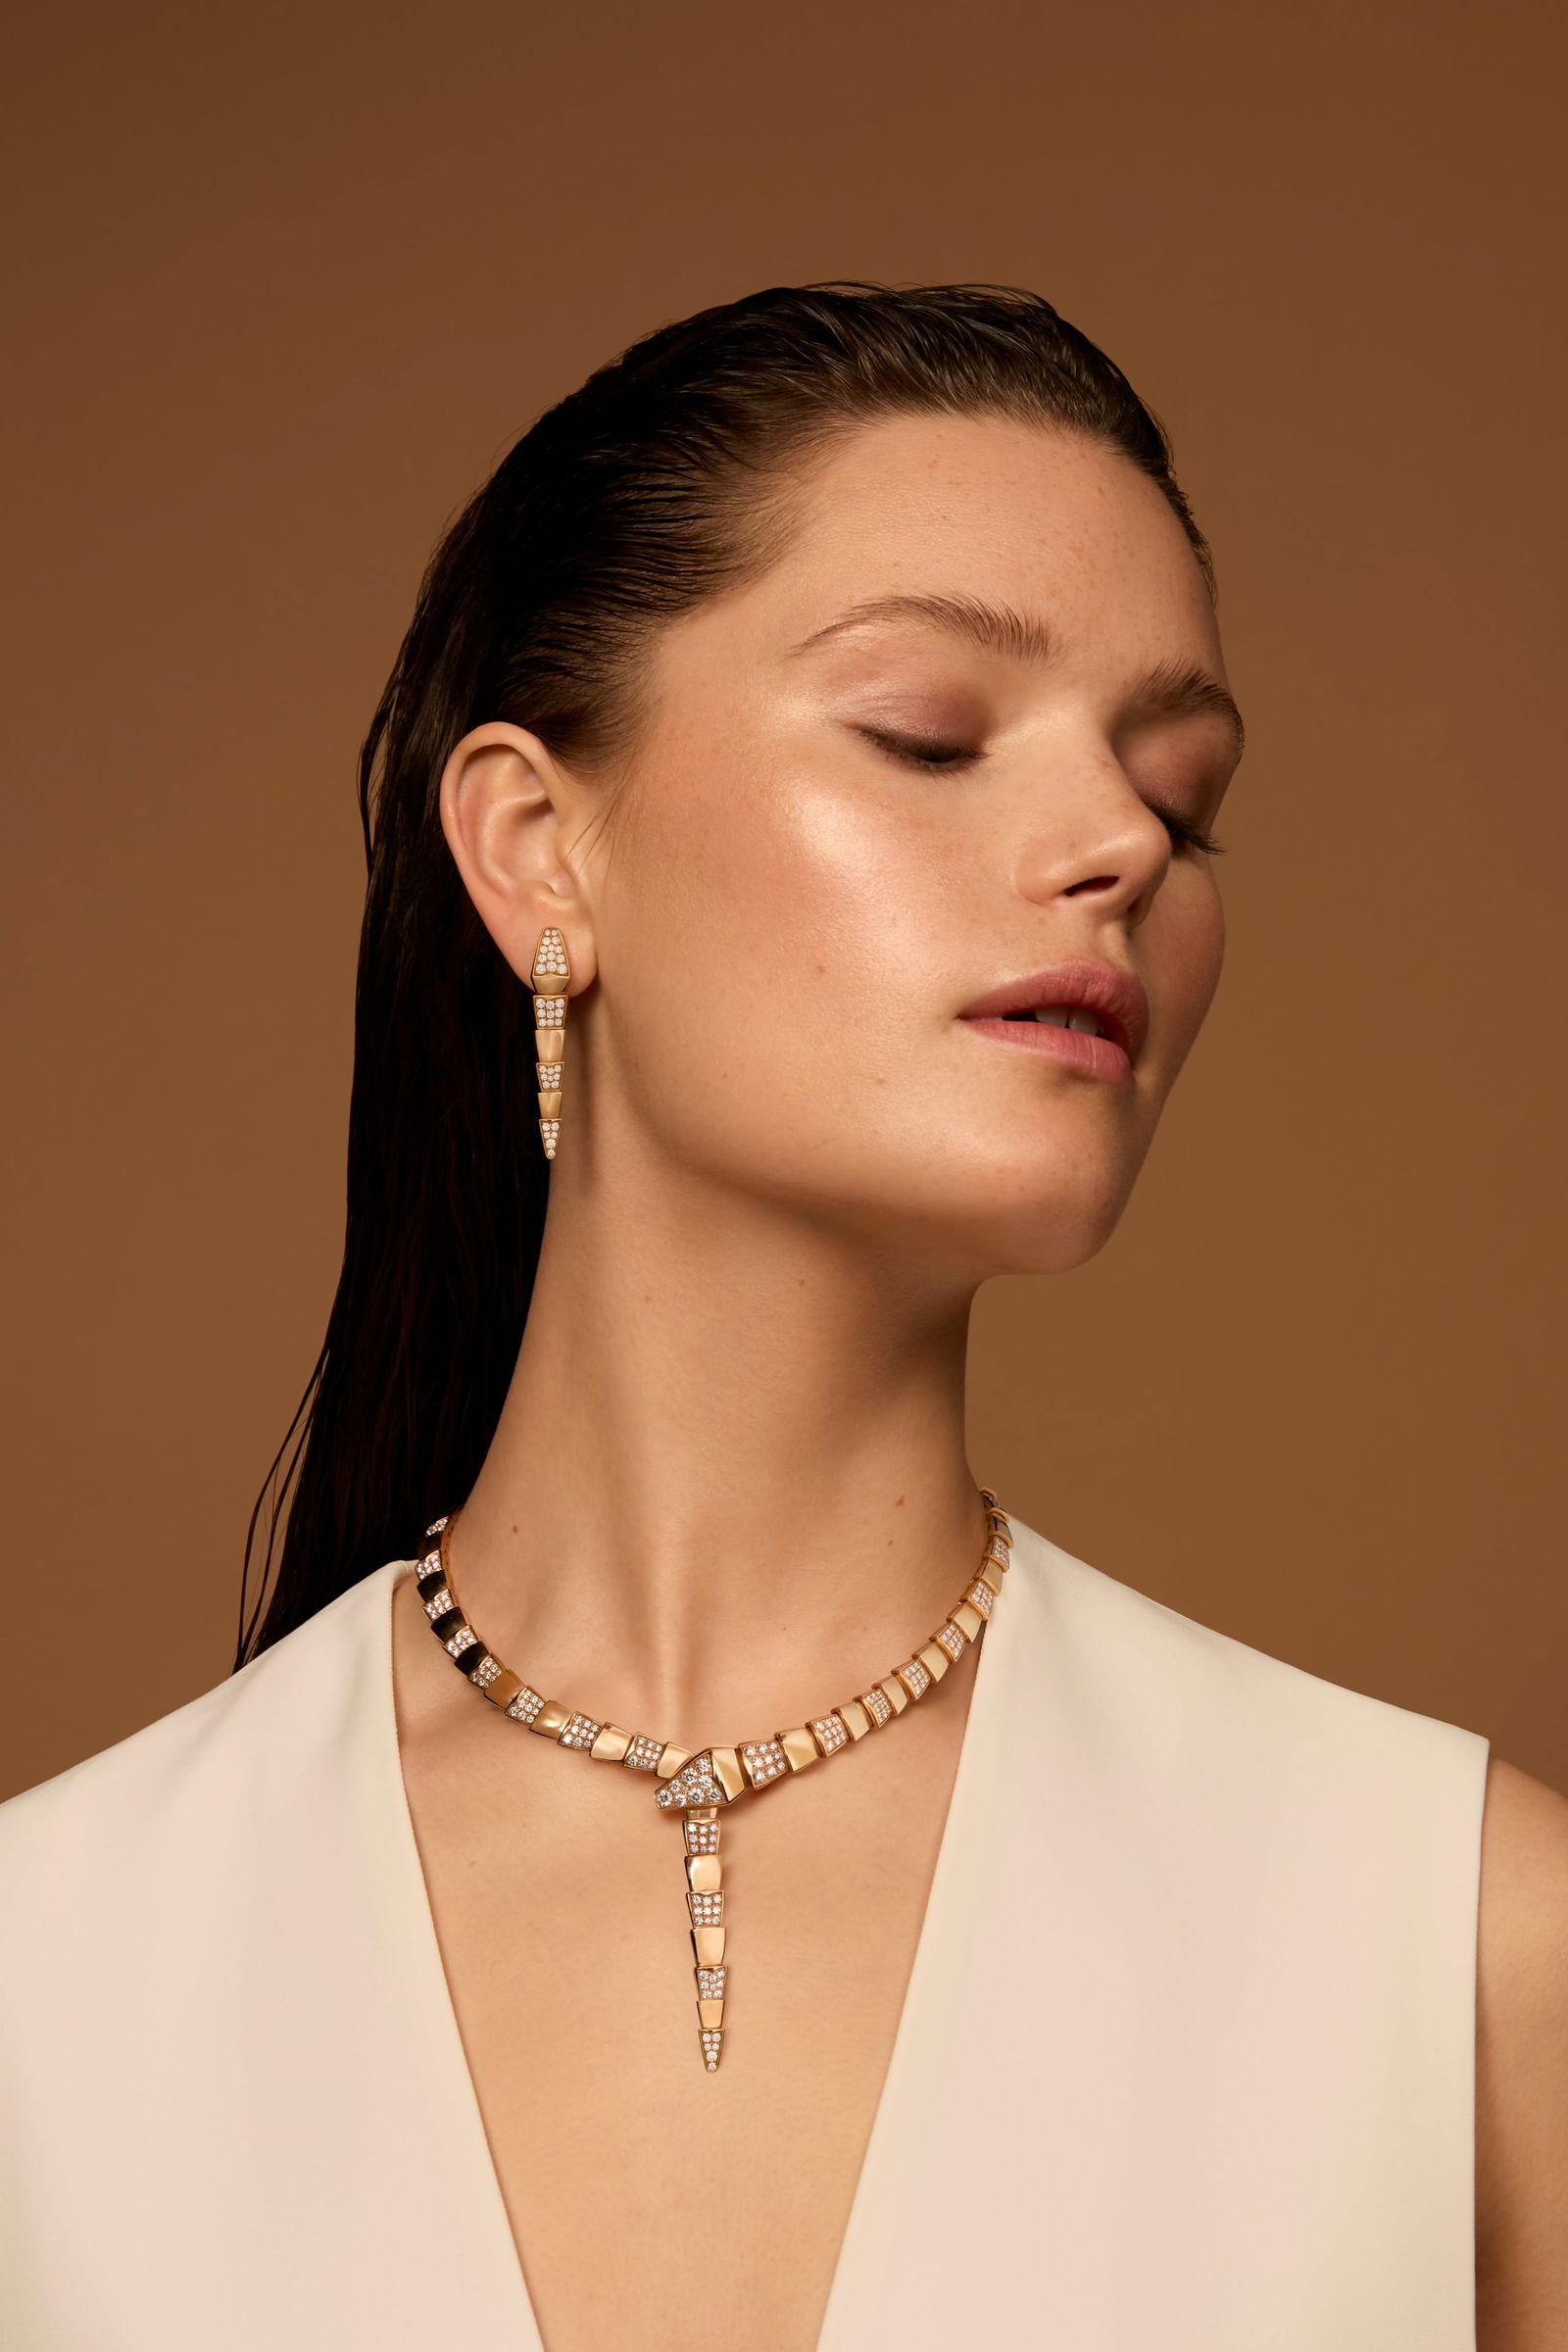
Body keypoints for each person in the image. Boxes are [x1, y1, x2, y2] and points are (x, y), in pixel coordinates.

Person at [0, 281, 1562, 2351]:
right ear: (538, 850)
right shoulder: (49, 1980)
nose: (1121, 845)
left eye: (1180, 800)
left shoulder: (1465, 1944)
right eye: (929, 733)